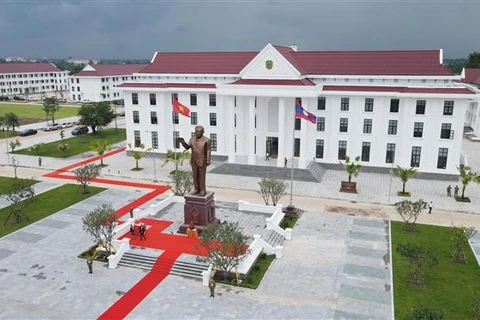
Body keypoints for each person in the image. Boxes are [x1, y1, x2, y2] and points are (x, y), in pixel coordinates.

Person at [178, 125, 211, 196]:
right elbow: (187, 147)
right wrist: (183, 142)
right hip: (194, 160)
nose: (198, 133)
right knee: (195, 176)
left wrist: (208, 159)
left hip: (202, 160)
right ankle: (196, 189)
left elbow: (208, 150)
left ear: (203, 132)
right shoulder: (192, 139)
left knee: (202, 176)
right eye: (196, 131)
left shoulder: (207, 140)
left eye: (199, 132)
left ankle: (202, 190)